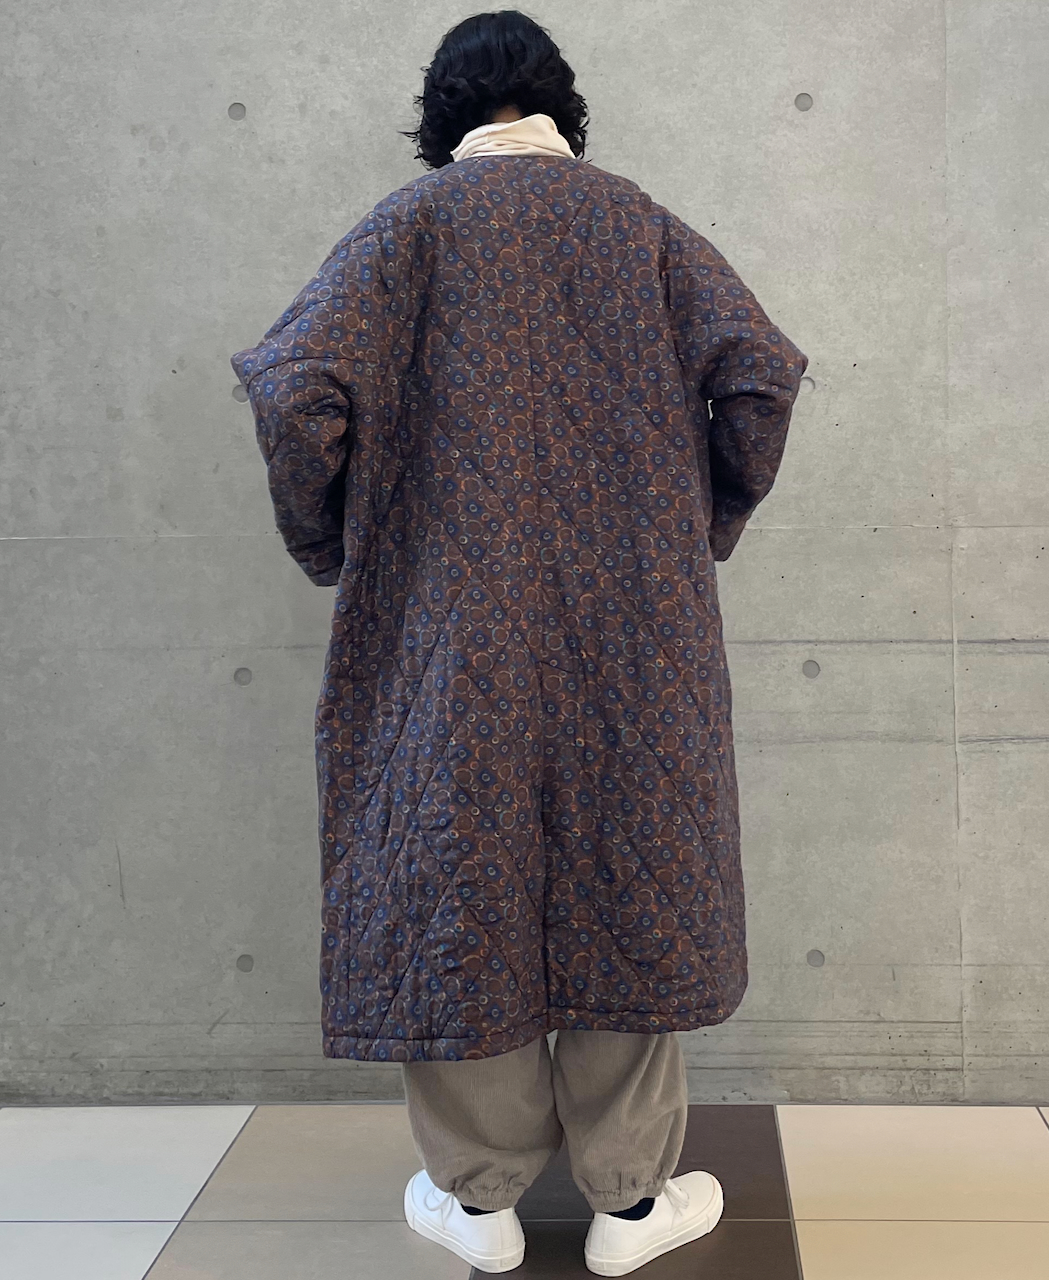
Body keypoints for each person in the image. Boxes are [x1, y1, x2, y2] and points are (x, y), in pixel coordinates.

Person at [230, 9, 808, 1275]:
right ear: (561, 107)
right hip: (635, 624)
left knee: (460, 868)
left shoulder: (404, 229)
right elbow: (757, 373)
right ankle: (628, 1203)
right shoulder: (637, 224)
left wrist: (332, 542)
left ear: (440, 115)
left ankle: (480, 1197)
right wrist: (698, 519)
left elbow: (293, 389)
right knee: (631, 866)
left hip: (446, 621)